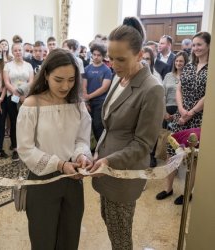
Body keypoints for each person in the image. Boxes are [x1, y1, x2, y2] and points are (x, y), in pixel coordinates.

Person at [90, 17, 164, 249]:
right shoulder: (118, 77)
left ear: (140, 55)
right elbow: (110, 125)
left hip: (124, 172)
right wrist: (97, 153)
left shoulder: (151, 89)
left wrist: (108, 160)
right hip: (105, 167)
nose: (113, 64)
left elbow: (143, 143)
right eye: (111, 58)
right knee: (109, 222)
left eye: (121, 59)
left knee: (121, 235)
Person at [17, 48, 93, 250]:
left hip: (72, 180)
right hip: (43, 180)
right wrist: (59, 164)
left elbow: (81, 139)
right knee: (43, 238)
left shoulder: (77, 104)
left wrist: (81, 156)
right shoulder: (33, 104)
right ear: (46, 74)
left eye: (71, 80)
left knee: (69, 236)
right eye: (59, 79)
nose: (65, 86)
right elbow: (25, 149)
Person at [156, 31, 210, 205]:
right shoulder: (187, 66)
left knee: (192, 158)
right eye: (194, 45)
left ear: (208, 46)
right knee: (172, 153)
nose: (195, 48)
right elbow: (179, 89)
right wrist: (181, 108)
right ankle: (168, 188)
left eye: (199, 44)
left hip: (199, 117)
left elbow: (209, 95)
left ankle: (188, 192)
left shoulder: (211, 69)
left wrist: (191, 112)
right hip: (181, 115)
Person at [3, 43, 34, 160]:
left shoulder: (28, 65)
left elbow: (31, 81)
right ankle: (15, 148)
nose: (18, 52)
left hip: (26, 97)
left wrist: (23, 94)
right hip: (12, 97)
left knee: (26, 122)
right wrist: (17, 93)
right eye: (15, 50)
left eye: (20, 50)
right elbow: (6, 82)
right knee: (14, 121)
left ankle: (27, 147)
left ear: (23, 51)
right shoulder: (8, 66)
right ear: (12, 52)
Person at [82, 43, 112, 142]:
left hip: (100, 102)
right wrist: (86, 101)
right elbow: (84, 85)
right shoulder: (87, 69)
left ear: (103, 56)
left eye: (98, 55)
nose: (96, 57)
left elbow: (104, 88)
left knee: (98, 126)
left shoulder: (107, 70)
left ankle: (100, 149)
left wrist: (88, 96)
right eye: (94, 54)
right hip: (88, 102)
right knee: (86, 126)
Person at [163, 51, 189, 129]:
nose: (178, 63)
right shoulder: (168, 76)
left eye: (181, 61)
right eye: (176, 61)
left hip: (181, 111)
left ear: (185, 62)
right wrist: (164, 112)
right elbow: (163, 95)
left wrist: (178, 114)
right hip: (167, 110)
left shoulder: (188, 77)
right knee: (164, 137)